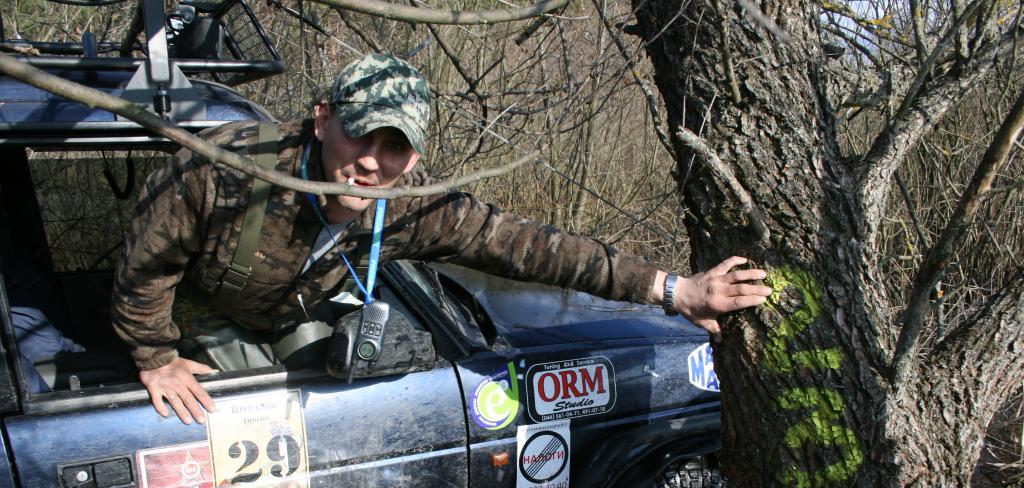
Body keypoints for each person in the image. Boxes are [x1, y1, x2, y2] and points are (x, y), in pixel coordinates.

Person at [112, 53, 771, 425]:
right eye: (359, 134)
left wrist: (674, 290)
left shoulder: (410, 206)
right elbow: (146, 263)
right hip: (194, 314)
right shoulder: (227, 170)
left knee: (351, 393)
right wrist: (154, 353)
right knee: (248, 408)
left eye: (394, 147)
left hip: (284, 311)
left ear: (415, 158)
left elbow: (531, 248)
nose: (371, 163)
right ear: (321, 120)